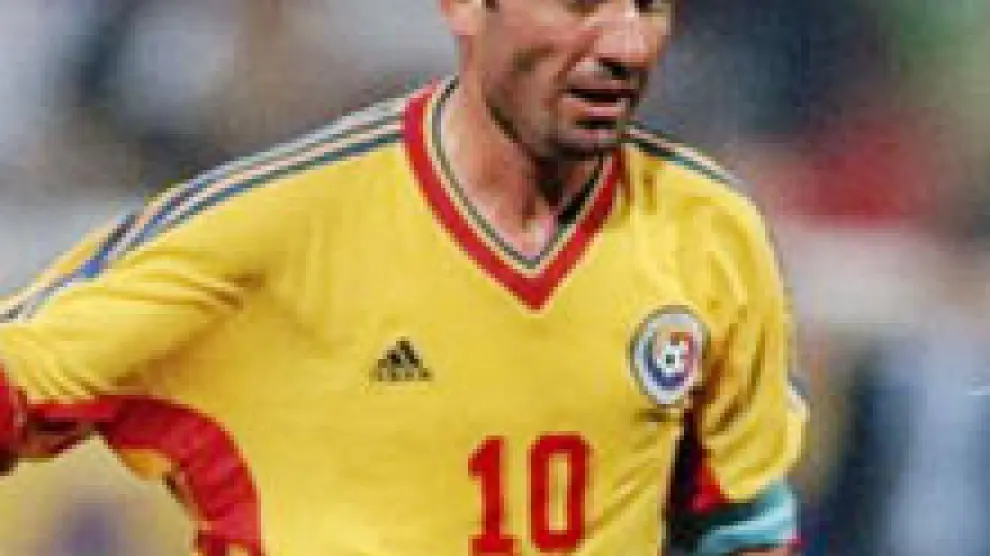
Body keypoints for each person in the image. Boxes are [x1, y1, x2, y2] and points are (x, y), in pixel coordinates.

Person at [0, 0, 806, 554]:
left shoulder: (708, 230)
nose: (627, 43)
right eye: (577, 4)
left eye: (650, 6)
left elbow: (740, 518)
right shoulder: (272, 226)